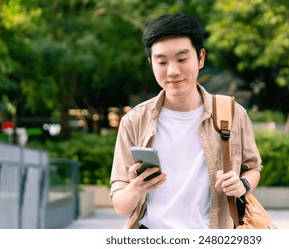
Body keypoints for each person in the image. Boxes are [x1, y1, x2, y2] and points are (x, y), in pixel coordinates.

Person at [109, 13, 262, 229]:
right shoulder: (134, 121)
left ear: (200, 58)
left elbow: (253, 168)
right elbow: (120, 206)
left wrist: (242, 185)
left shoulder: (232, 113)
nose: (173, 71)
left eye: (182, 59)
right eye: (162, 61)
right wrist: (135, 189)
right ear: (151, 62)